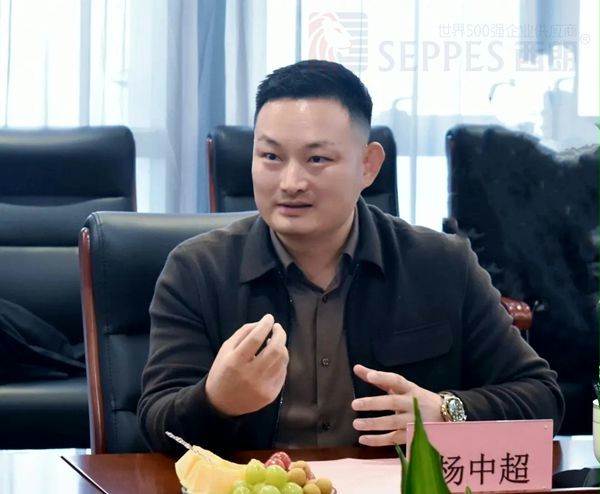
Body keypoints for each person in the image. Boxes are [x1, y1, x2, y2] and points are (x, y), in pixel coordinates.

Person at [138, 59, 564, 457]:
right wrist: (216, 400)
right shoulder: (197, 270)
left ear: (368, 165)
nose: (290, 182)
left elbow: (542, 399)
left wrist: (445, 411)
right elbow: (156, 425)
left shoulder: (441, 264)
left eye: (317, 159)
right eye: (270, 156)